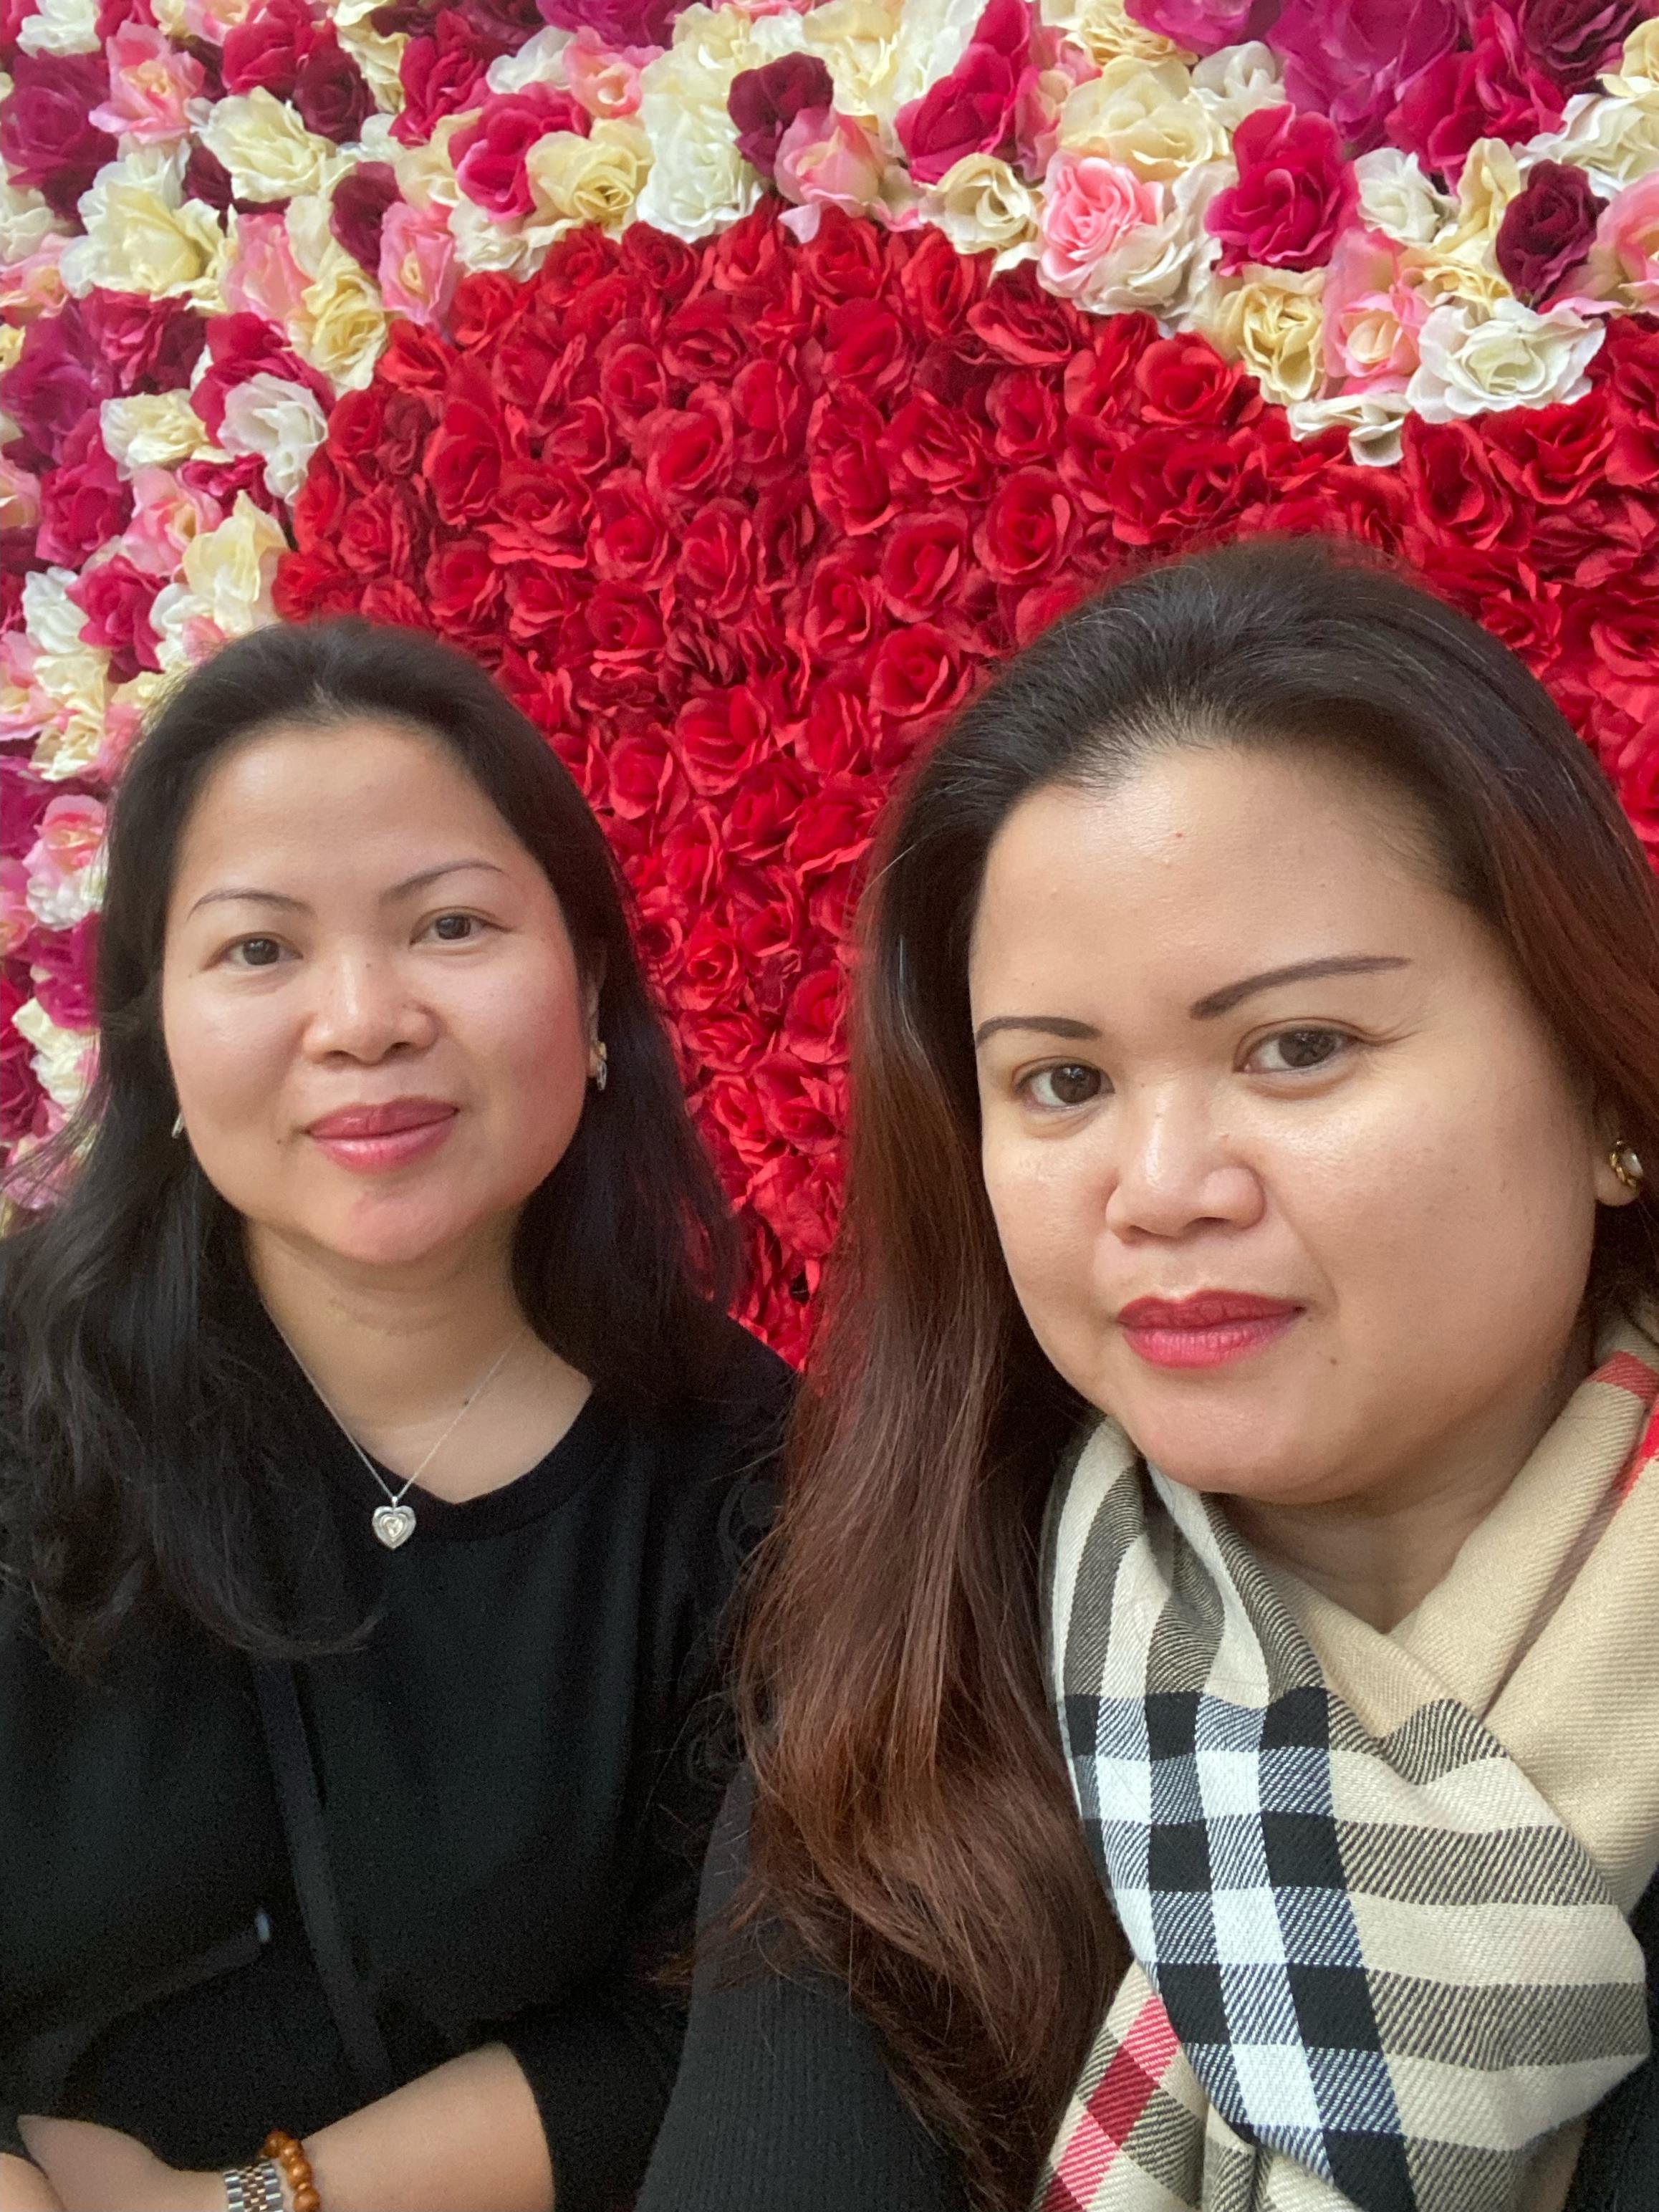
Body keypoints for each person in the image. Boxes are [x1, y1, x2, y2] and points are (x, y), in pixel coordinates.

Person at [636, 538, 1659, 2212]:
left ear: (1606, 1085)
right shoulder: (912, 1698)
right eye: (1061, 1081)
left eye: (1299, 1046)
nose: (1163, 1186)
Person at [0, 620, 790, 2212]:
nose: (362, 1018)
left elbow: (704, 2016)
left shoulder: (748, 1479)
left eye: (449, 925)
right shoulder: (27, 1383)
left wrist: (245, 2207)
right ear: (153, 1026)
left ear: (589, 987)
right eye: (259, 949)